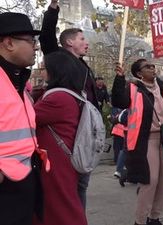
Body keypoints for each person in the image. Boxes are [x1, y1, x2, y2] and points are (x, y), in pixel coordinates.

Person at [40, 0, 100, 208]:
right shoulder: (58, 57)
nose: (87, 42)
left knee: (81, 184)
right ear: (69, 43)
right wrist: (53, 7)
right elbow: (46, 36)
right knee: (73, 186)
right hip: (69, 131)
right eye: (82, 38)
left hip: (85, 129)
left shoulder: (83, 65)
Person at [0, 12, 47, 225]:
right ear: (9, 43)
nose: (35, 47)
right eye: (30, 41)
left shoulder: (17, 79)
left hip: (24, 181)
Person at [112, 59, 163, 225]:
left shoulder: (162, 86)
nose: (152, 68)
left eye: (153, 66)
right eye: (147, 67)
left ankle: (154, 218)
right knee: (150, 181)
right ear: (139, 73)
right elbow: (118, 101)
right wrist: (119, 78)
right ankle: (140, 220)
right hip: (146, 139)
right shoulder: (133, 88)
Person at [33, 51, 88, 225]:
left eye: (43, 68)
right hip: (60, 158)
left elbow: (29, 117)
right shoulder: (69, 93)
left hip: (55, 161)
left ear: (55, 71)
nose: (41, 72)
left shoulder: (58, 97)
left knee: (61, 207)